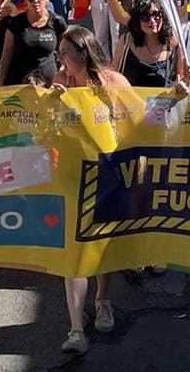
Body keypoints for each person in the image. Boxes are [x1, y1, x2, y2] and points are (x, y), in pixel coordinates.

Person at [53, 27, 131, 354]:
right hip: (70, 175)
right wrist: (51, 106)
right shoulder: (60, 83)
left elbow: (140, 116)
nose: (61, 61)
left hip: (107, 175)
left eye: (65, 55)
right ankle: (75, 330)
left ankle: (102, 300)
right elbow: (47, 130)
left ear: (82, 55)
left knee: (101, 248)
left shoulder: (113, 83)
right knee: (74, 253)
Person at [0, 0, 68, 87]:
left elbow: (66, 53)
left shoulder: (57, 22)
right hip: (19, 83)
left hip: (49, 84)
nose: (35, 1)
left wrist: (65, 78)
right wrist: (0, 84)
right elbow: (7, 54)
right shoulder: (16, 22)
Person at [115, 0, 186, 87]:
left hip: (163, 101)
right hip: (131, 101)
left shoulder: (173, 41)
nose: (152, 21)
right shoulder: (126, 41)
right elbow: (113, 73)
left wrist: (186, 80)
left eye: (156, 14)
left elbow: (181, 79)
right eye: (145, 16)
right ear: (137, 19)